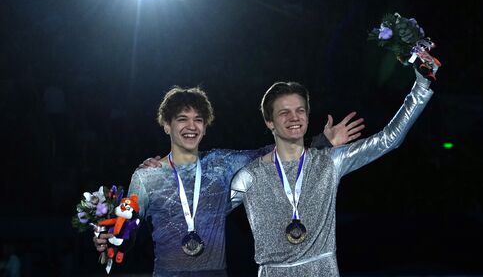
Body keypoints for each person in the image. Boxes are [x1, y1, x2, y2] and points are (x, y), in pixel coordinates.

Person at [94, 86, 364, 276]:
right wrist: (108, 239)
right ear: (167, 125)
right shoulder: (146, 176)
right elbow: (126, 232)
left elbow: (273, 155)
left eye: (198, 120)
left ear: (206, 125)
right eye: (182, 119)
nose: (191, 126)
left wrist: (324, 142)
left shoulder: (221, 164)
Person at [230, 69, 434, 276]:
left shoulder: (330, 161)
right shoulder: (249, 177)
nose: (294, 118)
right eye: (284, 112)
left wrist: (420, 87)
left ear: (308, 117)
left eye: (300, 111)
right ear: (269, 121)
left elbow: (388, 139)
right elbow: (208, 214)